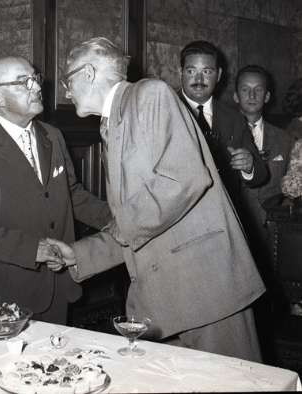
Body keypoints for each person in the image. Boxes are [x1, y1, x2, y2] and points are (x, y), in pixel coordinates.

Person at [45, 37, 265, 361]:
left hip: (207, 289)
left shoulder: (150, 95)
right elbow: (141, 222)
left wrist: (120, 228)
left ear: (89, 73)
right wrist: (79, 255)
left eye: (68, 81)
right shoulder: (111, 125)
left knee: (237, 382)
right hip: (166, 299)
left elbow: (183, 180)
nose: (66, 91)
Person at [0, 57, 111, 324]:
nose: (36, 87)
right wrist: (32, 249)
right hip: (5, 293)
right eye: (24, 82)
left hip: (58, 285)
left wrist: (116, 220)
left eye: (35, 78)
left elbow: (72, 195)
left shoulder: (52, 136)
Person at [178, 41, 268, 210]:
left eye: (207, 71)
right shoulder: (163, 111)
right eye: (191, 71)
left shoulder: (234, 118)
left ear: (218, 75)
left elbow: (261, 174)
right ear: (180, 72)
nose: (199, 80)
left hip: (223, 215)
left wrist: (249, 166)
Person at [234, 65, 293, 273]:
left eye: (258, 89)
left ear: (267, 96)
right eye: (245, 89)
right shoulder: (221, 135)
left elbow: (290, 187)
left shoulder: (285, 139)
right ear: (235, 96)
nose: (252, 95)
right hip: (234, 232)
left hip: (274, 236)